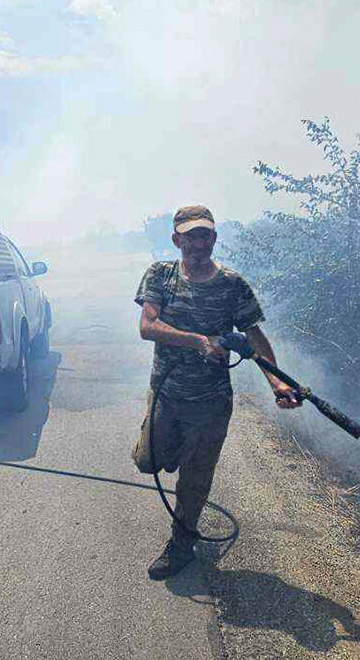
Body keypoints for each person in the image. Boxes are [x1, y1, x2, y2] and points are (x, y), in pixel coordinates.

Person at [133, 205, 301, 580]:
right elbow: (148, 326)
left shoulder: (232, 285)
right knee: (147, 461)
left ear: (214, 238)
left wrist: (277, 381)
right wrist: (200, 341)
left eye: (205, 234)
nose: (198, 242)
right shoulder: (160, 275)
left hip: (211, 404)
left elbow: (254, 335)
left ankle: (181, 545)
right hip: (167, 393)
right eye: (190, 235)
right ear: (176, 239)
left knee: (195, 478)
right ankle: (169, 448)